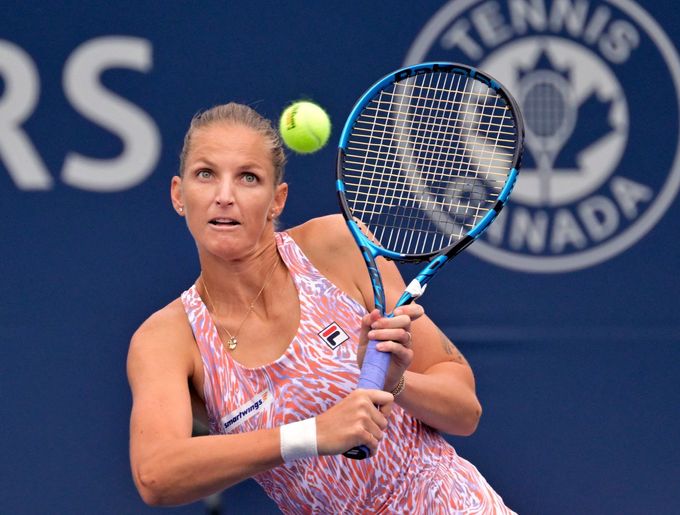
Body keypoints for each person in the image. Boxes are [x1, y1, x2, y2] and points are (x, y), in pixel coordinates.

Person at [127, 102, 515, 514]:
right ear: (178, 195)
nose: (224, 196)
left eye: (248, 178)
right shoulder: (168, 339)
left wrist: (397, 384)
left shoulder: (336, 247)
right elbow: (156, 475)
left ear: (277, 200)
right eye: (205, 174)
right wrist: (313, 435)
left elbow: (465, 412)